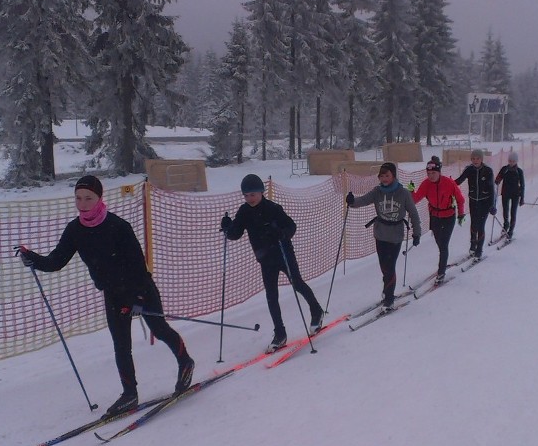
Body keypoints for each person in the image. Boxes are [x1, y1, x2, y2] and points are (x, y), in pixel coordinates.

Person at [19, 175, 194, 416]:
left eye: (88, 198)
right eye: (78, 198)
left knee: (159, 329)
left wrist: (136, 300)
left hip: (140, 289)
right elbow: (56, 261)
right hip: (112, 294)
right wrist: (34, 259)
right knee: (121, 346)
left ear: (99, 198)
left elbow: (137, 266)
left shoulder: (118, 226)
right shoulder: (75, 230)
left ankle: (185, 362)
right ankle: (129, 394)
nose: (82, 203)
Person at [220, 173, 324, 352]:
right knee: (271, 295)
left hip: (283, 253)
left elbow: (291, 225)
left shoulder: (273, 208)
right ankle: (280, 333)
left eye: (253, 194)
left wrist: (282, 233)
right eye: (246, 195)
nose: (249, 198)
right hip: (265, 258)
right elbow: (235, 234)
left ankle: (316, 311)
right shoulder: (244, 211)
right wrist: (227, 228)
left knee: (297, 284)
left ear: (261, 192)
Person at [346, 161, 421, 309]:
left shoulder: (403, 193)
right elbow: (363, 200)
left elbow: (413, 213)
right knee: (384, 266)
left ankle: (389, 297)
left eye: (387, 176)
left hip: (396, 235)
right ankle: (388, 292)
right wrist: (352, 201)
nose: (384, 179)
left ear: (393, 176)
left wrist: (416, 233)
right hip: (380, 234)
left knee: (389, 266)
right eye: (382, 176)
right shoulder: (377, 191)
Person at [411, 156, 466, 283]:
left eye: (433, 173)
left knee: (443, 245)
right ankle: (442, 265)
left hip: (448, 216)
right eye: (429, 173)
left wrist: (461, 214)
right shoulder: (426, 184)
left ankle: (441, 272)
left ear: (439, 172)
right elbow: (415, 199)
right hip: (435, 217)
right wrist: (411, 191)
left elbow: (460, 199)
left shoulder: (448, 182)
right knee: (439, 243)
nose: (431, 176)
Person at [455, 148, 496, 259]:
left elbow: (492, 189)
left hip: (485, 202)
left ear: (481, 159)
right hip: (473, 201)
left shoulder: (488, 171)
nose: (475, 161)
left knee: (481, 225)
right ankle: (473, 245)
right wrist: (449, 183)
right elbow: (459, 180)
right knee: (473, 224)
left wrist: (493, 205)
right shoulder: (469, 170)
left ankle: (479, 249)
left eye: (477, 158)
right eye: (473, 158)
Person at [495, 152, 525, 240]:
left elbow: (522, 185)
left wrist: (522, 198)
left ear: (516, 161)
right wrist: (497, 181)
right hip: (505, 193)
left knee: (513, 212)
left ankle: (511, 230)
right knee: (505, 210)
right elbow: (498, 178)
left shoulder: (519, 171)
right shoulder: (505, 169)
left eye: (513, 161)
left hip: (515, 194)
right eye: (510, 161)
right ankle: (506, 225)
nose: (511, 163)